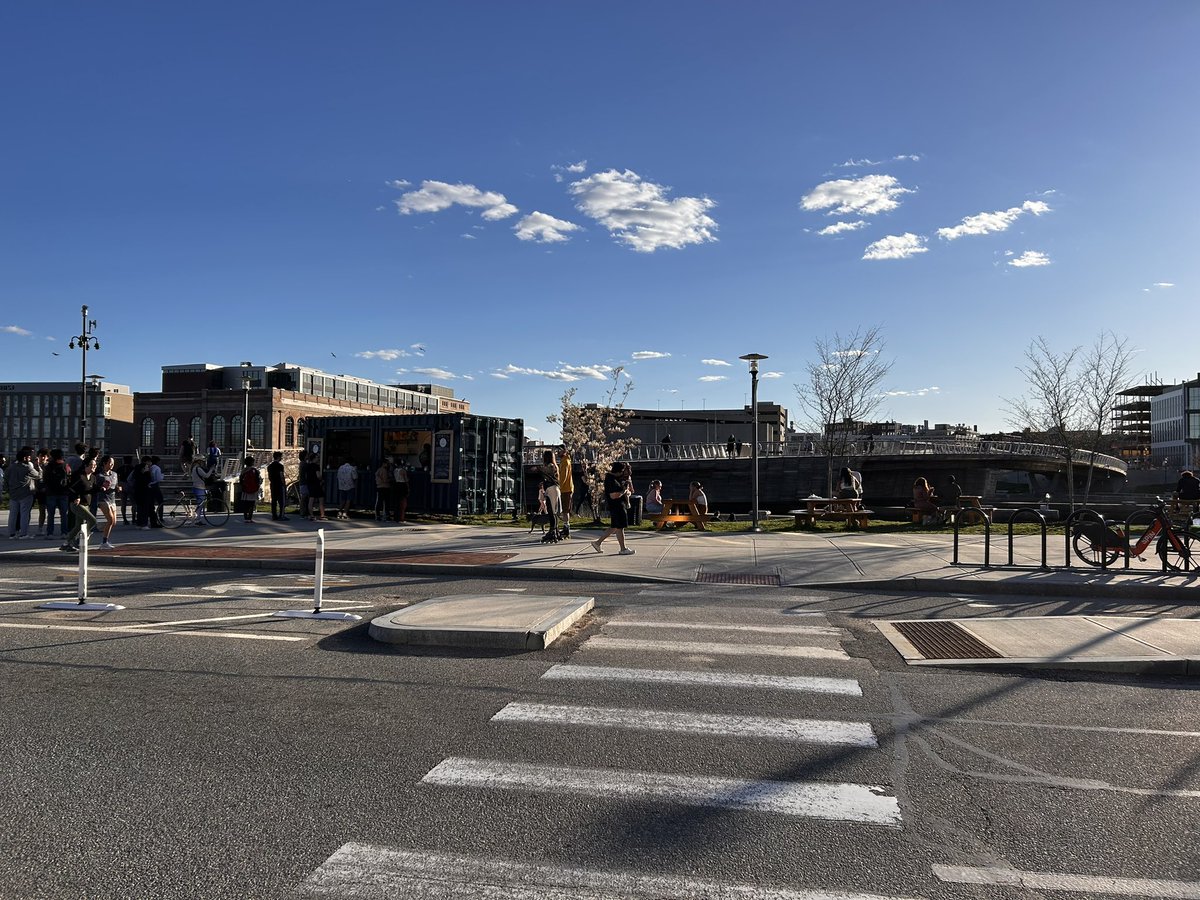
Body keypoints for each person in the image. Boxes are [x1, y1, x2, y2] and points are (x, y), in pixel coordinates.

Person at [591, 461, 635, 555]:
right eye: (622, 471)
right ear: (618, 471)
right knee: (619, 527)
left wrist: (626, 491)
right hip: (616, 506)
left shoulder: (615, 478)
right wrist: (623, 491)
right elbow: (614, 495)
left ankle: (597, 543)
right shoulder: (611, 480)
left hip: (619, 505)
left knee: (615, 527)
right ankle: (623, 548)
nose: (623, 473)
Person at [62, 456, 98, 552]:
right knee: (93, 521)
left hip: (86, 504)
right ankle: (79, 540)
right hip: (77, 504)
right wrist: (76, 497)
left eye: (95, 465)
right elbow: (71, 488)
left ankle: (66, 543)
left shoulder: (93, 477)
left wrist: (102, 488)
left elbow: (92, 490)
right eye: (92, 465)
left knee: (78, 525)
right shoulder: (79, 476)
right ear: (85, 465)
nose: (94, 467)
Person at [5, 446, 39, 539]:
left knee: (13, 514)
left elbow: (6, 479)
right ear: (24, 458)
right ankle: (23, 533)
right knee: (24, 514)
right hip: (25, 493)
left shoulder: (11, 467)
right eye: (28, 457)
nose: (30, 458)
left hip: (13, 494)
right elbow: (38, 476)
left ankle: (12, 533)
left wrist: (8, 489)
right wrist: (36, 465)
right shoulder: (27, 467)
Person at [42, 448, 71, 539]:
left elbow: (45, 479)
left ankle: (50, 533)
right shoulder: (66, 465)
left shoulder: (49, 466)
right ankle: (64, 532)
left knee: (50, 514)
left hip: (51, 493)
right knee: (64, 514)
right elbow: (70, 478)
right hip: (64, 493)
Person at [95, 455, 119, 549]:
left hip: (112, 499)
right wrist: (102, 487)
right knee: (110, 520)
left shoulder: (114, 474)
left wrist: (118, 488)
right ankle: (104, 542)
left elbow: (115, 485)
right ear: (104, 463)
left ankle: (100, 527)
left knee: (114, 522)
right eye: (110, 462)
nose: (112, 464)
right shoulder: (100, 475)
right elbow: (96, 486)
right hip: (103, 499)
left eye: (113, 463)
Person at [538, 449, 561, 538]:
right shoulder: (554, 465)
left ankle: (553, 530)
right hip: (551, 489)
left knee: (552, 511)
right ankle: (555, 530)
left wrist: (539, 469)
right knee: (552, 511)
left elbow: (545, 470)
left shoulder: (551, 466)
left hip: (552, 489)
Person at [190, 457, 217, 525]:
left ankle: (197, 518)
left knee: (200, 504)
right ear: (199, 462)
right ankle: (197, 519)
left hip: (197, 487)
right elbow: (206, 476)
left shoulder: (193, 469)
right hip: (200, 488)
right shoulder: (198, 469)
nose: (203, 463)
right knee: (200, 504)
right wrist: (211, 470)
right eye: (202, 462)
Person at [239, 456, 262, 523]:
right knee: (251, 504)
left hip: (245, 490)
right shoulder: (255, 470)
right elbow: (258, 480)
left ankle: (245, 518)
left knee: (246, 505)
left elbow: (241, 480)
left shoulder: (243, 471)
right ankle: (250, 518)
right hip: (253, 490)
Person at [305, 451, 327, 521]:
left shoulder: (307, 466)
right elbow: (318, 476)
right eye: (317, 457)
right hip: (317, 484)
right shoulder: (316, 466)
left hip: (310, 484)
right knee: (321, 499)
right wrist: (322, 480)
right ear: (314, 458)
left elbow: (306, 476)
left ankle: (311, 515)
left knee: (311, 499)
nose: (318, 459)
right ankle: (322, 515)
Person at [557, 449, 574, 537]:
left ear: (564, 451)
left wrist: (559, 486)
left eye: (559, 451)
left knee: (565, 510)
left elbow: (563, 476)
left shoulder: (565, 462)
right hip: (566, 488)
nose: (557, 453)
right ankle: (565, 526)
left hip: (565, 489)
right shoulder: (565, 461)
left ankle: (566, 528)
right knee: (564, 510)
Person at [268, 451, 288, 521]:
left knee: (274, 501)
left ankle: (274, 515)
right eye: (281, 457)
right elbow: (281, 476)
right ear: (278, 457)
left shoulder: (270, 466)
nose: (281, 458)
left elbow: (269, 476)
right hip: (279, 484)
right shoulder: (280, 466)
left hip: (273, 484)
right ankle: (281, 515)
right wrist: (284, 484)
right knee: (282, 501)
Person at [390, 458, 409, 523]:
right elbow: (406, 479)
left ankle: (396, 517)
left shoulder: (395, 470)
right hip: (402, 485)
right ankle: (401, 517)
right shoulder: (403, 470)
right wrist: (408, 487)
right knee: (402, 501)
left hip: (396, 485)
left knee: (396, 502)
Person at [148, 456, 165, 526]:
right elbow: (158, 479)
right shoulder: (157, 468)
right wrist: (162, 476)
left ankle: (152, 516)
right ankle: (160, 517)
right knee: (160, 501)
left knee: (151, 503)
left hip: (149, 486)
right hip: (155, 485)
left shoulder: (150, 467)